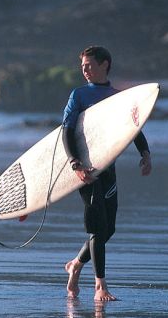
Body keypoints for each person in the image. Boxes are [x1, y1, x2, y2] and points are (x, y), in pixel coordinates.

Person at [62, 46, 152, 302]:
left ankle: (76, 264)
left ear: (105, 64)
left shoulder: (117, 97)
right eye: (82, 67)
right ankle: (100, 286)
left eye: (89, 65)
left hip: (108, 169)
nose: (85, 70)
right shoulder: (78, 95)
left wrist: (145, 154)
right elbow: (66, 132)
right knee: (96, 227)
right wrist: (75, 164)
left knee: (108, 229)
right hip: (85, 170)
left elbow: (133, 129)